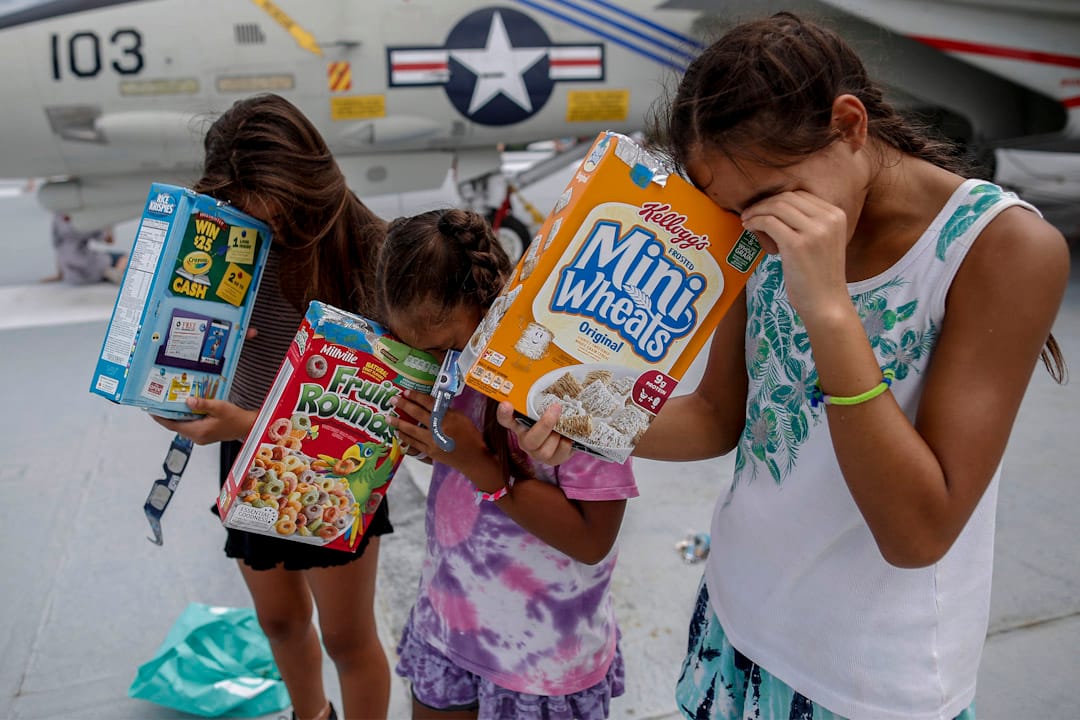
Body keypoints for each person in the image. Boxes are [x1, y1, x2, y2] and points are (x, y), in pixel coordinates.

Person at [498, 12, 1070, 720]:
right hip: (738, 618)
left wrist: (828, 309)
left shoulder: (999, 249)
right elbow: (716, 419)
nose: (756, 232)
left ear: (850, 125)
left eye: (771, 199)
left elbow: (918, 534)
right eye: (734, 212)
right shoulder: (751, 230)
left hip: (868, 677)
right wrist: (573, 412)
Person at [151, 94, 389, 720]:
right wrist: (172, 392)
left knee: (345, 635)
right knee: (279, 620)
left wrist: (247, 424)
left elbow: (368, 423)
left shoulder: (373, 256)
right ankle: (309, 714)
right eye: (242, 216)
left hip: (336, 468)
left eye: (281, 220)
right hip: (243, 447)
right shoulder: (220, 249)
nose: (265, 236)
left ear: (314, 186)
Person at [376, 208, 638, 720]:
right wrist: (432, 447)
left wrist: (476, 463)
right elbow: (465, 488)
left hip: (540, 661)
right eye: (415, 353)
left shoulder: (575, 379)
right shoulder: (452, 370)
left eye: (445, 346)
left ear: (487, 301)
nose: (436, 365)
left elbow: (591, 539)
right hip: (447, 629)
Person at [43, 213, 127, 284]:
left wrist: (60, 275)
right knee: (125, 257)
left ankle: (109, 273)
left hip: (71, 273)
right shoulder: (87, 219)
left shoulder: (58, 217)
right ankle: (114, 271)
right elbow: (109, 240)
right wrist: (108, 224)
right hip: (93, 267)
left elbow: (58, 247)